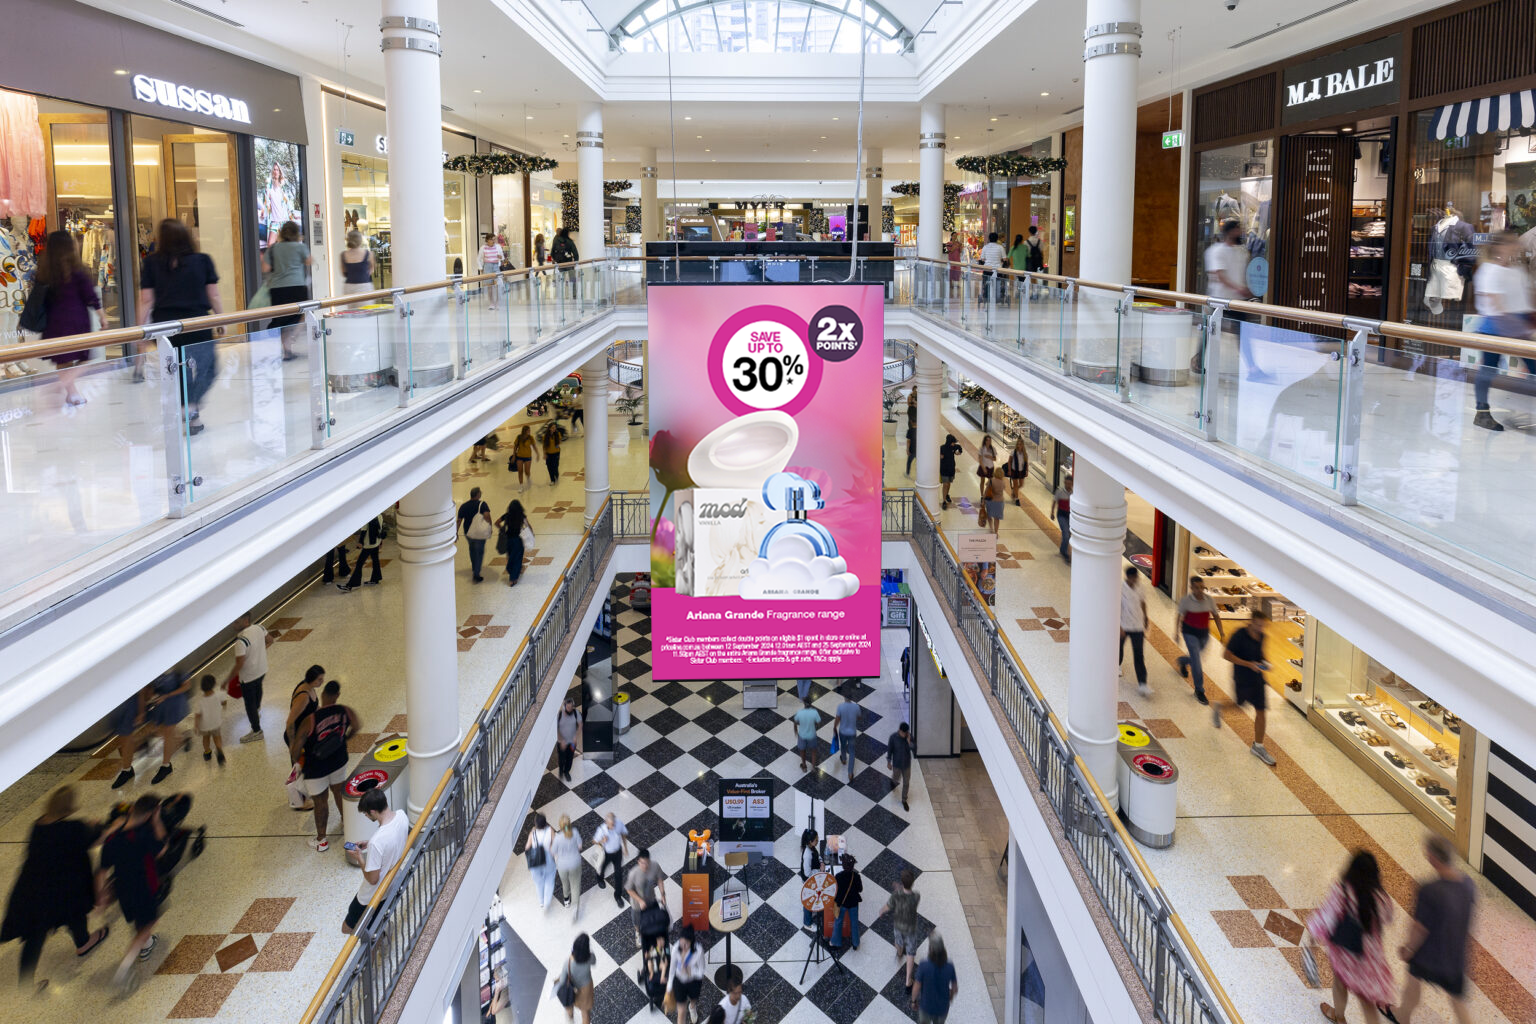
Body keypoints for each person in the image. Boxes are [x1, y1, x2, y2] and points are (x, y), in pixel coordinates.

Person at [0, 785, 109, 990]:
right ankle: (83, 942)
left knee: (34, 936)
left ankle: (26, 983)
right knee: (75, 913)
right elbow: (97, 839)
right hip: (65, 889)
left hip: (32, 889)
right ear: (69, 808)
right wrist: (98, 826)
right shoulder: (74, 828)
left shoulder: (37, 826)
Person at [138, 219, 224, 432]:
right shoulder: (203, 261)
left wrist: (141, 329)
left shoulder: (151, 263)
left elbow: (146, 300)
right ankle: (192, 408)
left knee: (178, 371)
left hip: (165, 326)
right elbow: (213, 294)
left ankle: (190, 411)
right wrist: (221, 319)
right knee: (209, 367)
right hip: (197, 322)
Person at [1396, 834, 1476, 1024]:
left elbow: (1419, 928)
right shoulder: (1468, 884)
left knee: (1413, 982)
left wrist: (1409, 949)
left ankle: (1403, 1016)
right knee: (1457, 1000)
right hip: (1455, 955)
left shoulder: (1429, 890)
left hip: (1430, 954)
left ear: (1432, 857)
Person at [1306, 851, 1394, 1024]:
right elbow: (1387, 917)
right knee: (1366, 1000)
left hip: (1345, 952)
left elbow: (1327, 916)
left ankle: (1339, 1016)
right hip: (1369, 956)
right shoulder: (1380, 897)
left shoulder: (1342, 890)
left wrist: (1312, 937)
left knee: (1340, 983)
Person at [1470, 229, 1536, 431]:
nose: (1516, 247)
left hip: (1520, 325)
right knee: (1488, 370)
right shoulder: (1489, 270)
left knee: (1534, 370)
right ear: (1500, 246)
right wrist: (1524, 328)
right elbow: (1495, 304)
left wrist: (1530, 322)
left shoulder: (1517, 271)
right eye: (1511, 244)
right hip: (1495, 326)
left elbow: (1527, 300)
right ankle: (1482, 412)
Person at [99, 794, 167, 985]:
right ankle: (124, 969)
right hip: (144, 885)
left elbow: (102, 870)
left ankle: (146, 944)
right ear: (151, 813)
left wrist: (102, 896)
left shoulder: (113, 836)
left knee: (139, 920)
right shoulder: (145, 833)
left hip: (123, 887)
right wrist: (157, 821)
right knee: (148, 923)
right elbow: (162, 849)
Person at [289, 680, 359, 852]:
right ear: (337, 696)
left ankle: (321, 840)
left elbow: (296, 749)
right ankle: (347, 823)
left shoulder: (310, 720)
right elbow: (356, 726)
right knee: (338, 792)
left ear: (322, 696)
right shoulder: (346, 711)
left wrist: (298, 761)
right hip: (339, 761)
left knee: (320, 802)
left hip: (316, 768)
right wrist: (345, 740)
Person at [36, 230, 101, 408]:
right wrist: (102, 317)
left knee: (63, 359)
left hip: (54, 323)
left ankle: (71, 392)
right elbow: (91, 297)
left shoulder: (45, 271)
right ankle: (65, 387)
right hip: (76, 321)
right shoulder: (77, 270)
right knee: (85, 357)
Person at [343, 788, 409, 935]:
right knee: (374, 921)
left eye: (366, 813)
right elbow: (392, 840)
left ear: (373, 811)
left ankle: (381, 938)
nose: (366, 815)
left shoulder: (377, 842)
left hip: (371, 895)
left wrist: (359, 857)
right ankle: (381, 932)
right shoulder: (402, 816)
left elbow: (373, 879)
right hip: (392, 884)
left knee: (348, 928)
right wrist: (370, 844)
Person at [1218, 607, 1277, 765]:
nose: (1260, 629)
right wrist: (1248, 664)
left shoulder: (1262, 636)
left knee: (1261, 711)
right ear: (1251, 622)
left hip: (1257, 679)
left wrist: (1265, 663)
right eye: (1258, 625)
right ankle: (1219, 707)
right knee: (1239, 705)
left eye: (1263, 626)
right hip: (1242, 677)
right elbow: (1226, 655)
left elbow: (1261, 655)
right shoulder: (1239, 635)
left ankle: (1258, 746)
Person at [262, 221, 312, 360]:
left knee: (282, 318)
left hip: (277, 290)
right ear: (297, 234)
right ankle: (293, 336)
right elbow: (309, 261)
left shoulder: (273, 249)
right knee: (303, 314)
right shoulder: (299, 247)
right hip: (297, 287)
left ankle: (287, 350)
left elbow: (265, 268)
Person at [1175, 576, 1224, 706]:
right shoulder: (1186, 600)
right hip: (1189, 632)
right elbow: (1179, 615)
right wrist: (1176, 632)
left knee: (1195, 657)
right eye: (1197, 587)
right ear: (1191, 588)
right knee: (1196, 661)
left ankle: (1182, 661)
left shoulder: (1209, 600)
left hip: (1204, 634)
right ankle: (1199, 690)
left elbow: (1216, 616)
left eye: (1202, 587)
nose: (1200, 590)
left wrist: (1222, 633)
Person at [875, 868, 921, 989]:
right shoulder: (916, 896)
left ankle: (900, 952)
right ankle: (908, 981)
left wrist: (881, 911)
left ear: (902, 882)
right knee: (911, 953)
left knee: (898, 941)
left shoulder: (896, 896)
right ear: (913, 882)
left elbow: (888, 906)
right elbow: (907, 896)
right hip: (911, 927)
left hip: (898, 926)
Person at [233, 609, 273, 742]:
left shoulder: (241, 640)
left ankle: (256, 731)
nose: (234, 624)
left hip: (248, 676)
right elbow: (270, 640)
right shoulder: (260, 628)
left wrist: (227, 680)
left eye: (236, 622)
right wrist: (259, 652)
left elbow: (239, 664)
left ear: (245, 621)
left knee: (249, 705)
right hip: (261, 670)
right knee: (258, 688)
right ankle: (258, 710)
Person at [147, 668, 191, 785]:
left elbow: (186, 685)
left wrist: (167, 695)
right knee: (160, 731)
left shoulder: (177, 667)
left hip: (175, 703)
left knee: (167, 733)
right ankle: (184, 739)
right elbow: (152, 688)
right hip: (161, 705)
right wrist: (152, 695)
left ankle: (166, 765)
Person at [912, 932, 958, 1024]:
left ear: (931, 949)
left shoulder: (924, 965)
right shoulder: (950, 966)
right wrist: (951, 997)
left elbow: (917, 986)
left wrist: (913, 1001)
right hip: (942, 1009)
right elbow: (955, 988)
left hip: (926, 1007)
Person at [626, 847, 668, 939]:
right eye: (642, 863)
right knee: (637, 921)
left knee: (654, 916)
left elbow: (660, 880)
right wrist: (640, 901)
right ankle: (638, 933)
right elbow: (629, 890)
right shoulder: (633, 873)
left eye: (647, 862)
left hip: (651, 899)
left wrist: (663, 895)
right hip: (637, 904)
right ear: (638, 861)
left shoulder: (655, 866)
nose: (645, 865)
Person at [666, 926, 706, 1024]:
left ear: (691, 942)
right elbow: (671, 970)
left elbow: (702, 971)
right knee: (681, 1012)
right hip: (679, 981)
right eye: (681, 942)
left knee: (693, 999)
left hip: (693, 981)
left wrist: (690, 971)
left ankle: (692, 1007)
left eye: (686, 944)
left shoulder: (698, 950)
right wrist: (669, 989)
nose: (683, 946)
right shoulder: (676, 948)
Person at [1120, 566, 1150, 696]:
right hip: (1124, 624)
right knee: (1118, 648)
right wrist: (1119, 626)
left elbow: (1143, 602)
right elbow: (1117, 607)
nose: (1134, 580)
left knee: (1139, 655)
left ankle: (1142, 683)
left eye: (1135, 578)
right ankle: (1117, 665)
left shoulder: (1141, 587)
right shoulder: (1120, 588)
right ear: (1127, 577)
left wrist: (1145, 617)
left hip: (1137, 626)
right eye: (1132, 578)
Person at [284, 664, 326, 753]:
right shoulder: (304, 697)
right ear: (312, 679)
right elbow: (290, 721)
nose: (322, 681)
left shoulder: (309, 686)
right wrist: (292, 745)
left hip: (305, 732)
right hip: (297, 736)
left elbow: (313, 707)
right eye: (319, 679)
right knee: (301, 765)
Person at [556, 933, 596, 1024]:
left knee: (569, 1003)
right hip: (586, 988)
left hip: (572, 988)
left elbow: (562, 981)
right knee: (585, 1013)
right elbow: (594, 962)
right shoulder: (589, 957)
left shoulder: (568, 962)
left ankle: (570, 1018)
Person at [110, 689, 146, 790]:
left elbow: (140, 691)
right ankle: (127, 768)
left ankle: (127, 770)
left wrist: (141, 711)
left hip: (129, 705)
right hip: (118, 706)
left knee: (126, 738)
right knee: (123, 739)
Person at [590, 812, 629, 905]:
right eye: (611, 824)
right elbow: (594, 841)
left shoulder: (618, 823)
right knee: (602, 867)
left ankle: (618, 896)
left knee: (619, 874)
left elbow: (623, 833)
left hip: (618, 853)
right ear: (606, 822)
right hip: (607, 854)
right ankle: (599, 878)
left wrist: (625, 847)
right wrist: (601, 841)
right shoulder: (601, 829)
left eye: (614, 823)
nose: (613, 826)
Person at [339, 515, 384, 592]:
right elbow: (381, 528)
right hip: (376, 542)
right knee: (375, 559)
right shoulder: (379, 515)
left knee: (359, 563)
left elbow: (364, 530)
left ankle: (352, 585)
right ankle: (375, 578)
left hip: (368, 544)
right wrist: (381, 542)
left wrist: (360, 542)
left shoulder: (367, 515)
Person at [828, 853, 863, 950]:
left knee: (838, 922)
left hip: (841, 904)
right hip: (853, 903)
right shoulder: (856, 876)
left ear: (843, 865)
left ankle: (836, 942)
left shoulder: (838, 876)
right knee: (854, 923)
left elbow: (835, 889)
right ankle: (855, 943)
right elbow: (860, 889)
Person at [551, 814, 584, 915]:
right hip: (575, 863)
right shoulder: (575, 832)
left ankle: (566, 901)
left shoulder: (557, 838)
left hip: (562, 865)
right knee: (575, 885)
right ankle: (575, 907)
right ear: (569, 823)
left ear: (560, 826)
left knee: (565, 883)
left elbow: (553, 852)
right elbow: (580, 847)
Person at [458, 486, 492, 583]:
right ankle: (476, 574)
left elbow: (459, 521)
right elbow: (487, 516)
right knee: (479, 552)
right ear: (478, 494)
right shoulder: (482, 504)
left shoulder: (463, 506)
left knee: (472, 549)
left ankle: (474, 567)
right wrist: (490, 527)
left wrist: (455, 532)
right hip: (479, 533)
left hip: (468, 532)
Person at [528, 813, 558, 911]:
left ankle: (541, 901)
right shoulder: (550, 830)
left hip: (536, 861)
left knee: (538, 882)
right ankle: (547, 902)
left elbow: (527, 847)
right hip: (548, 859)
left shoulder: (533, 833)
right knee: (549, 880)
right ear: (545, 823)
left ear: (535, 824)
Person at [194, 674, 226, 765]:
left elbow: (197, 715)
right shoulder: (219, 695)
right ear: (214, 684)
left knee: (206, 738)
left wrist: (196, 726)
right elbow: (224, 702)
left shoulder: (200, 701)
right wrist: (223, 689)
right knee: (217, 737)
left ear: (201, 687)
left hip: (204, 726)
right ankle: (219, 750)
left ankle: (207, 752)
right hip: (216, 723)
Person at [498, 500, 532, 587]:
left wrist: (502, 529)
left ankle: (511, 570)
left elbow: (497, 522)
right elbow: (527, 525)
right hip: (518, 540)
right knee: (517, 558)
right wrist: (531, 533)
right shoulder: (521, 516)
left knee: (510, 556)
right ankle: (513, 579)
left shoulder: (507, 515)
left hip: (508, 540)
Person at [834, 684, 862, 779]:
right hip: (852, 732)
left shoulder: (840, 707)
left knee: (843, 746)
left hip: (842, 732)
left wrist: (834, 727)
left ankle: (844, 759)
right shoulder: (856, 707)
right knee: (852, 752)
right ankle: (850, 773)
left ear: (844, 697)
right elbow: (859, 717)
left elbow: (837, 718)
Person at [554, 695, 581, 783]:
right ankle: (561, 771)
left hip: (572, 742)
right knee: (562, 758)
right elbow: (557, 729)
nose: (569, 709)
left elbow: (580, 725)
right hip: (562, 742)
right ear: (565, 706)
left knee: (570, 758)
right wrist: (561, 740)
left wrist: (575, 737)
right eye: (568, 707)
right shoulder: (560, 715)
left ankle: (566, 772)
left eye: (571, 707)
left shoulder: (576, 713)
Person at [887, 721, 913, 810]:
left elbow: (914, 748)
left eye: (906, 733)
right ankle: (893, 782)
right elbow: (890, 750)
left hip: (906, 765)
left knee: (906, 783)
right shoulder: (893, 738)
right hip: (897, 764)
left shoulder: (909, 737)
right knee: (896, 778)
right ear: (899, 731)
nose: (904, 735)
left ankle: (904, 800)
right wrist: (889, 761)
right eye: (903, 733)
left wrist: (909, 742)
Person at [798, 829, 822, 927]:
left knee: (812, 896)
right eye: (816, 840)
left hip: (813, 876)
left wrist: (821, 862)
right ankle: (807, 923)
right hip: (809, 879)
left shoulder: (811, 848)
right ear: (810, 842)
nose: (818, 841)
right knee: (809, 898)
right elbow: (807, 873)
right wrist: (819, 871)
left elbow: (817, 855)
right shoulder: (807, 855)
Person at [339, 230, 373, 295]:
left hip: (349, 286)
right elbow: (371, 270)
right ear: (360, 240)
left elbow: (344, 273)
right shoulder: (368, 254)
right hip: (365, 286)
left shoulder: (343, 255)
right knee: (366, 305)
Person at [792, 695, 822, 771]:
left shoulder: (800, 712)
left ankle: (804, 766)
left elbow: (795, 723)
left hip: (802, 735)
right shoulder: (814, 712)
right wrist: (814, 726)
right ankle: (813, 767)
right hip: (812, 735)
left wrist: (796, 731)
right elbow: (819, 723)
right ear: (811, 704)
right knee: (813, 751)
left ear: (804, 704)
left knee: (802, 751)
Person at [977, 231, 1006, 305]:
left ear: (989, 239)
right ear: (997, 239)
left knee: (986, 283)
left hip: (987, 269)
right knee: (998, 283)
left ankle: (986, 297)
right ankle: (998, 297)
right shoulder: (1000, 247)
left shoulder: (985, 247)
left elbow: (982, 259)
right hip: (998, 269)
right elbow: (1004, 259)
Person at [479, 233, 504, 310]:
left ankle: (497, 302)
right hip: (487, 267)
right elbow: (479, 258)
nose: (493, 241)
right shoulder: (483, 248)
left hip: (496, 266)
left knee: (498, 285)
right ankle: (491, 303)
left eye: (494, 239)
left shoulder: (498, 247)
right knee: (490, 286)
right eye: (491, 239)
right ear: (487, 240)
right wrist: (481, 268)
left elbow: (502, 257)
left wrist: (501, 257)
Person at [939, 434, 962, 509]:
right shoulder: (942, 448)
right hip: (944, 469)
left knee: (948, 484)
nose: (954, 444)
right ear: (949, 442)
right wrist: (940, 457)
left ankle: (947, 494)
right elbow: (938, 456)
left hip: (951, 469)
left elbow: (959, 447)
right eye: (953, 442)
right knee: (945, 484)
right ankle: (944, 501)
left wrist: (959, 452)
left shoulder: (954, 447)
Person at [1005, 438, 1029, 506]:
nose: (1019, 445)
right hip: (1014, 470)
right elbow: (1009, 461)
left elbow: (1026, 463)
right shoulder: (1013, 452)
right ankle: (1016, 499)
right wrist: (1009, 470)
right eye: (1018, 444)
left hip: (1022, 471)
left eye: (1020, 444)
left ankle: (1014, 491)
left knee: (1021, 485)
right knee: (1015, 485)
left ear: (1023, 445)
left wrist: (1027, 471)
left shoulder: (1025, 454)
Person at [1054, 474, 1073, 561]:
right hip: (1061, 515)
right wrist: (1052, 512)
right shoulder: (1059, 491)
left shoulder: (1074, 493)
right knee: (1066, 534)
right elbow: (1054, 501)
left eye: (1070, 484)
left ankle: (1062, 549)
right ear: (1064, 483)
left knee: (1068, 534)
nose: (1068, 485)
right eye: (1067, 483)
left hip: (1070, 516)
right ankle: (1065, 552)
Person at [511, 426, 535, 490]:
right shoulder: (519, 437)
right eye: (528, 430)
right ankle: (521, 485)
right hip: (519, 456)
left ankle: (528, 478)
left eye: (529, 430)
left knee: (527, 471)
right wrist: (514, 456)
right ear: (524, 431)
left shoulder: (531, 438)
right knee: (520, 471)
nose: (529, 432)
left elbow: (534, 445)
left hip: (528, 456)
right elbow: (515, 447)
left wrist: (537, 453)